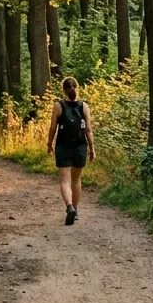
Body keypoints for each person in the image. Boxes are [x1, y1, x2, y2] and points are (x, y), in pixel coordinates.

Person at [47, 76, 95, 225]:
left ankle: (69, 207)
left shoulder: (58, 105)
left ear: (64, 90)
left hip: (63, 146)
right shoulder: (84, 106)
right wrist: (92, 148)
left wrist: (49, 144)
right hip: (80, 146)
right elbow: (88, 129)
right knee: (76, 179)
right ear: (77, 88)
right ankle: (75, 208)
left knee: (65, 180)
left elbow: (53, 128)